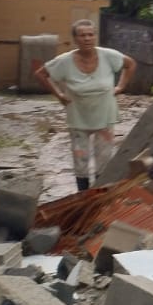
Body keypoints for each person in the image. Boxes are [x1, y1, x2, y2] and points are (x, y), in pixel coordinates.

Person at [36, 19, 135, 190]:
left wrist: (121, 86)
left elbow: (130, 64)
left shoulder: (108, 55)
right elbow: (41, 74)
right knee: (80, 159)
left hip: (104, 116)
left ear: (95, 36)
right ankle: (82, 194)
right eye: (82, 35)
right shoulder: (65, 60)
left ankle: (99, 195)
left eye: (91, 35)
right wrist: (59, 95)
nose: (87, 38)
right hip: (78, 116)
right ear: (75, 39)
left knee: (103, 158)